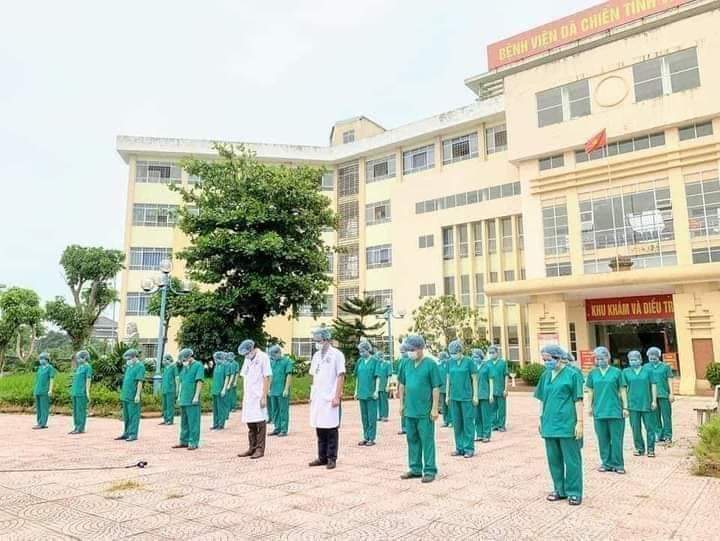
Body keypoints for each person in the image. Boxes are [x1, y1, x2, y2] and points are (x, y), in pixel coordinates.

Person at [535, 344, 584, 506]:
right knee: (553, 459)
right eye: (544, 360)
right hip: (549, 422)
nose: (546, 363)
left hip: (567, 423)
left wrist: (580, 422)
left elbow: (578, 400)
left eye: (548, 360)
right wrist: (540, 419)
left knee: (572, 460)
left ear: (558, 358)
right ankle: (559, 489)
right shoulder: (545, 376)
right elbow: (541, 399)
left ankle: (574, 492)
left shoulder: (572, 375)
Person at [398, 335, 442, 483]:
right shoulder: (405, 364)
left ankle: (429, 470)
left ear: (420, 348)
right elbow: (402, 384)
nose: (409, 352)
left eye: (411, 349)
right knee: (412, 439)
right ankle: (415, 468)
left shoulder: (430, 364)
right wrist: (401, 404)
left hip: (424, 410)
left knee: (427, 440)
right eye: (408, 350)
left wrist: (435, 408)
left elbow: (436, 387)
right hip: (410, 410)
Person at [308, 327, 346, 470]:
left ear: (326, 340)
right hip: (318, 396)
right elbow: (313, 376)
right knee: (319, 427)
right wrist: (311, 395)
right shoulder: (316, 355)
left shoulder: (337, 354)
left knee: (331, 428)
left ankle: (331, 458)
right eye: (315, 341)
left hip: (330, 396)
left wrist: (337, 396)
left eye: (319, 340)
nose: (317, 343)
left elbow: (341, 375)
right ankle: (321, 457)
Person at [586, 346, 628, 474]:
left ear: (608, 358)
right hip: (599, 411)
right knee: (602, 439)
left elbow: (622, 390)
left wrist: (625, 407)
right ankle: (606, 463)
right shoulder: (592, 373)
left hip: (615, 410)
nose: (600, 361)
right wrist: (589, 407)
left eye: (603, 358)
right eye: (598, 359)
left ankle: (618, 464)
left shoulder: (617, 372)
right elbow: (590, 391)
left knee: (616, 439)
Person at [237, 340, 272, 459]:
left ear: (252, 349)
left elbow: (267, 377)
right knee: (250, 422)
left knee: (260, 422)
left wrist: (264, 396)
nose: (246, 355)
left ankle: (260, 449)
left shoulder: (263, 357)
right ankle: (251, 448)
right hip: (249, 395)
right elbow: (244, 375)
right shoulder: (247, 359)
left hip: (258, 395)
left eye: (247, 353)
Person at [447, 339, 478, 458]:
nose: (453, 355)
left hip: (466, 397)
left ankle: (469, 448)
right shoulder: (450, 362)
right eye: (452, 353)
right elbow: (448, 378)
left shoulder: (469, 362)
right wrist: (448, 395)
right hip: (454, 397)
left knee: (468, 423)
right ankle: (459, 447)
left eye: (455, 353)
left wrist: (475, 395)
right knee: (457, 423)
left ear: (460, 351)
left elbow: (474, 379)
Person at [623, 350, 657, 458]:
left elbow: (653, 385)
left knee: (649, 427)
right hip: (632, 404)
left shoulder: (648, 371)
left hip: (646, 403)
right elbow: (623, 388)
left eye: (635, 359)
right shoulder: (625, 372)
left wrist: (654, 400)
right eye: (631, 360)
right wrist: (624, 405)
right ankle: (639, 448)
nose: (633, 362)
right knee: (635, 428)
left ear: (641, 360)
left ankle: (651, 449)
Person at [173, 348, 203, 450]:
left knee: (193, 422)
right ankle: (184, 441)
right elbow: (181, 381)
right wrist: (179, 396)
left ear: (190, 357)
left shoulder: (198, 365)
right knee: (184, 422)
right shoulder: (185, 368)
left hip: (192, 399)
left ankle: (193, 442)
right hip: (184, 398)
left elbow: (199, 381)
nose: (183, 362)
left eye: (185, 360)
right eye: (182, 360)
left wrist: (196, 396)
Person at [354, 339, 380, 446]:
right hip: (361, 392)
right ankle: (365, 437)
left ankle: (371, 438)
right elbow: (357, 377)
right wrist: (356, 391)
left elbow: (378, 377)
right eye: (360, 351)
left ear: (368, 350)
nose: (362, 353)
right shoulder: (359, 361)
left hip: (371, 393)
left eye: (363, 351)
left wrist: (376, 390)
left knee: (372, 416)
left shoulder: (375, 361)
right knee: (364, 417)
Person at [116, 349, 145, 442]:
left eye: (129, 359)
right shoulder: (129, 367)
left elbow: (139, 381)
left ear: (134, 357)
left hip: (133, 395)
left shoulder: (140, 366)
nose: (127, 361)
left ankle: (133, 434)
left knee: (133, 415)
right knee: (126, 415)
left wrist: (137, 395)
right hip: (126, 395)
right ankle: (126, 433)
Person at [647, 347, 674, 444]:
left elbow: (669, 379)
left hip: (664, 394)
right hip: (651, 396)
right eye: (650, 358)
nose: (653, 360)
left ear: (658, 357)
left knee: (666, 416)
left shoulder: (665, 367)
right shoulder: (646, 367)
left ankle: (668, 436)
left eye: (654, 358)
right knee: (655, 417)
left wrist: (671, 393)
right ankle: (659, 434)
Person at [268, 345, 294, 437]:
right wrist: (268, 388)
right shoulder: (272, 362)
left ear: (279, 352)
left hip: (282, 390)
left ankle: (283, 429)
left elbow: (289, 375)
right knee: (274, 410)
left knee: (283, 410)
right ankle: (277, 428)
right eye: (271, 356)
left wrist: (286, 389)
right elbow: (270, 376)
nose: (273, 357)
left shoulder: (287, 361)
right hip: (273, 389)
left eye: (274, 355)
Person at [69, 350, 93, 435]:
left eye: (79, 358)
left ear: (85, 358)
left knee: (81, 411)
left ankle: (81, 428)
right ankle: (76, 427)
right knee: (75, 411)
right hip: (75, 391)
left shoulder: (88, 367)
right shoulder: (79, 367)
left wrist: (87, 391)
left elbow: (88, 379)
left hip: (81, 392)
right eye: (77, 358)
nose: (78, 360)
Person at [475, 349, 495, 443]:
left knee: (485, 416)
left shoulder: (487, 366)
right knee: (477, 416)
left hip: (485, 394)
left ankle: (486, 435)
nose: (475, 358)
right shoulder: (473, 367)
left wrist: (491, 394)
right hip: (475, 395)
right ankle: (479, 434)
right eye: (473, 357)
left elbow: (491, 380)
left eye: (477, 356)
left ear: (481, 357)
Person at [488, 345, 509, 432]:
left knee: (501, 409)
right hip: (491, 391)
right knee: (492, 409)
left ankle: (501, 425)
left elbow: (506, 376)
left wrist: (506, 389)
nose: (491, 354)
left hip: (501, 390)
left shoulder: (502, 363)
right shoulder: (487, 363)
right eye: (490, 353)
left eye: (493, 352)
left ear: (497, 353)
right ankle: (494, 424)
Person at [33, 352, 57, 429]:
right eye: (40, 359)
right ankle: (39, 422)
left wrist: (50, 390)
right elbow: (37, 379)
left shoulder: (50, 368)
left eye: (42, 359)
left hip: (45, 390)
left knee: (44, 407)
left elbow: (51, 379)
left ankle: (43, 423)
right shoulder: (40, 368)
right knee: (38, 407)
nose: (41, 360)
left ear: (47, 359)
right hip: (38, 389)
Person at [210, 351, 229, 430]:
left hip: (221, 390)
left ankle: (221, 424)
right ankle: (215, 424)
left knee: (221, 408)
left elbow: (227, 377)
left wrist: (224, 389)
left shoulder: (225, 365)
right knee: (215, 409)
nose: (215, 360)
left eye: (216, 358)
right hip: (215, 389)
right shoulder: (216, 366)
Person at [160, 353, 179, 425]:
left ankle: (170, 420)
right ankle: (165, 419)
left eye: (164, 360)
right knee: (164, 406)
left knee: (170, 406)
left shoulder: (173, 367)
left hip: (171, 390)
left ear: (169, 360)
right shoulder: (165, 368)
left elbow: (177, 378)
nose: (163, 362)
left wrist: (177, 389)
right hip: (164, 389)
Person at [395, 344, 410, 435]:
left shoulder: (411, 361)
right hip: (403, 388)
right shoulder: (402, 362)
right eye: (401, 352)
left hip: (411, 390)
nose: (402, 354)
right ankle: (404, 427)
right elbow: (400, 378)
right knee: (403, 408)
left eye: (404, 352)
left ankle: (409, 428)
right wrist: (397, 389)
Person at [437, 352, 452, 427]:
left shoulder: (449, 365)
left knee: (450, 405)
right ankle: (445, 420)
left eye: (442, 358)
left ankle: (451, 421)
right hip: (442, 388)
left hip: (449, 388)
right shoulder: (438, 367)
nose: (441, 359)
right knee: (443, 406)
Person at [377, 354, 392, 422]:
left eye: (380, 357)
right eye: (378, 357)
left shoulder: (387, 364)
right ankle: (380, 415)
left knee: (384, 401)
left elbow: (389, 375)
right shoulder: (378, 364)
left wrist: (387, 385)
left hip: (384, 385)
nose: (379, 359)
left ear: (383, 357)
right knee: (378, 401)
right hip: (378, 386)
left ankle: (385, 416)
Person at [225, 352, 240, 416]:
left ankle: (233, 407)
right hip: (227, 381)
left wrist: (235, 381)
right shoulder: (227, 363)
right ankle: (228, 407)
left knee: (233, 395)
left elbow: (237, 373)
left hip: (233, 381)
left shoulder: (236, 363)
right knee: (227, 395)